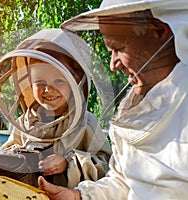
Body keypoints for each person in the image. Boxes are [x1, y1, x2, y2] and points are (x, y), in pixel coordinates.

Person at [38, 0, 188, 199]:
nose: (113, 65)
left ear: (158, 31)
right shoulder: (137, 102)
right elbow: (122, 181)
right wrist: (78, 196)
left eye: (118, 48)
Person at [0, 28, 112, 188]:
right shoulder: (25, 122)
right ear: (29, 82)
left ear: (74, 83)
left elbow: (106, 166)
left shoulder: (86, 123)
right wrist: (15, 156)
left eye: (59, 81)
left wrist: (68, 164)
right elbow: (4, 154)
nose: (48, 89)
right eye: (40, 81)